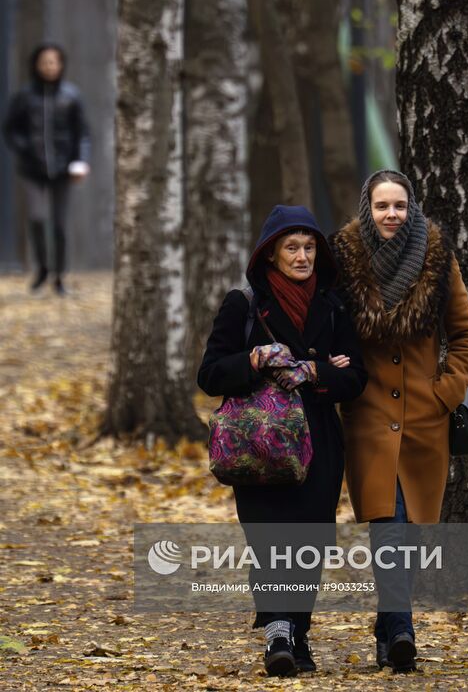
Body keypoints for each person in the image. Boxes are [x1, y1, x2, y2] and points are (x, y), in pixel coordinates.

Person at [197, 204, 367, 678]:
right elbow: (209, 374)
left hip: (319, 443)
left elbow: (356, 377)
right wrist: (253, 360)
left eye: (309, 247)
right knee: (270, 541)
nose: (302, 257)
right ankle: (277, 631)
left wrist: (316, 372)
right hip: (259, 442)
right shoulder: (244, 304)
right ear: (270, 254)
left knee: (310, 541)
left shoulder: (333, 305)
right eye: (292, 248)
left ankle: (299, 632)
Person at [330, 169, 468, 673]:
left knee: (409, 530)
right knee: (388, 525)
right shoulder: (345, 261)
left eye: (399, 205)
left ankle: (388, 627)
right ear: (367, 209)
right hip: (369, 417)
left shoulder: (437, 260)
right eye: (382, 206)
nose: (391, 214)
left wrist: (445, 393)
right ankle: (401, 630)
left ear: (411, 207)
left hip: (424, 419)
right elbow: (326, 326)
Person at [2, 43, 91, 294]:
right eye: (44, 62)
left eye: (54, 62)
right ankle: (42, 269)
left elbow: (83, 133)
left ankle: (59, 276)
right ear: (36, 65)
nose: (49, 67)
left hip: (63, 170)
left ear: (61, 64)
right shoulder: (24, 96)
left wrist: (81, 161)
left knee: (60, 224)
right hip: (32, 170)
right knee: (38, 218)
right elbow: (10, 129)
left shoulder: (71, 96)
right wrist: (26, 148)